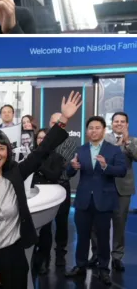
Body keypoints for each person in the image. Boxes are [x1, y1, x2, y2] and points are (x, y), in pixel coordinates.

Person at [0, 91, 81, 288]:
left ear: (8, 152)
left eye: (2, 148)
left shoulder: (15, 173)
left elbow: (42, 151)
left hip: (14, 256)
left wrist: (64, 119)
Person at [65, 115, 127, 284]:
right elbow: (69, 173)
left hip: (104, 200)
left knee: (103, 236)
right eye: (91, 128)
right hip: (83, 200)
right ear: (87, 131)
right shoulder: (81, 149)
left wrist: (107, 167)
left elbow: (122, 170)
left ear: (103, 130)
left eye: (97, 128)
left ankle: (103, 268)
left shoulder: (113, 150)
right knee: (82, 235)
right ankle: (80, 266)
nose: (94, 131)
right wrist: (72, 167)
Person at [31, 128, 68, 276]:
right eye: (38, 138)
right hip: (33, 197)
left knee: (46, 231)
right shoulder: (30, 156)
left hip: (48, 199)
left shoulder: (57, 157)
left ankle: (45, 261)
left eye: (43, 138)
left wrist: (39, 165)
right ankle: (33, 259)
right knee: (33, 231)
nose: (41, 140)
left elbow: (54, 176)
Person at [104, 112, 137, 272]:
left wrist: (127, 141)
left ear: (127, 124)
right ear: (112, 123)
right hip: (105, 186)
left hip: (124, 188)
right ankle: (97, 255)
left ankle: (117, 257)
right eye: (116, 121)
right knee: (100, 224)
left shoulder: (134, 141)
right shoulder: (104, 139)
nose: (119, 124)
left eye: (122, 121)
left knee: (119, 224)